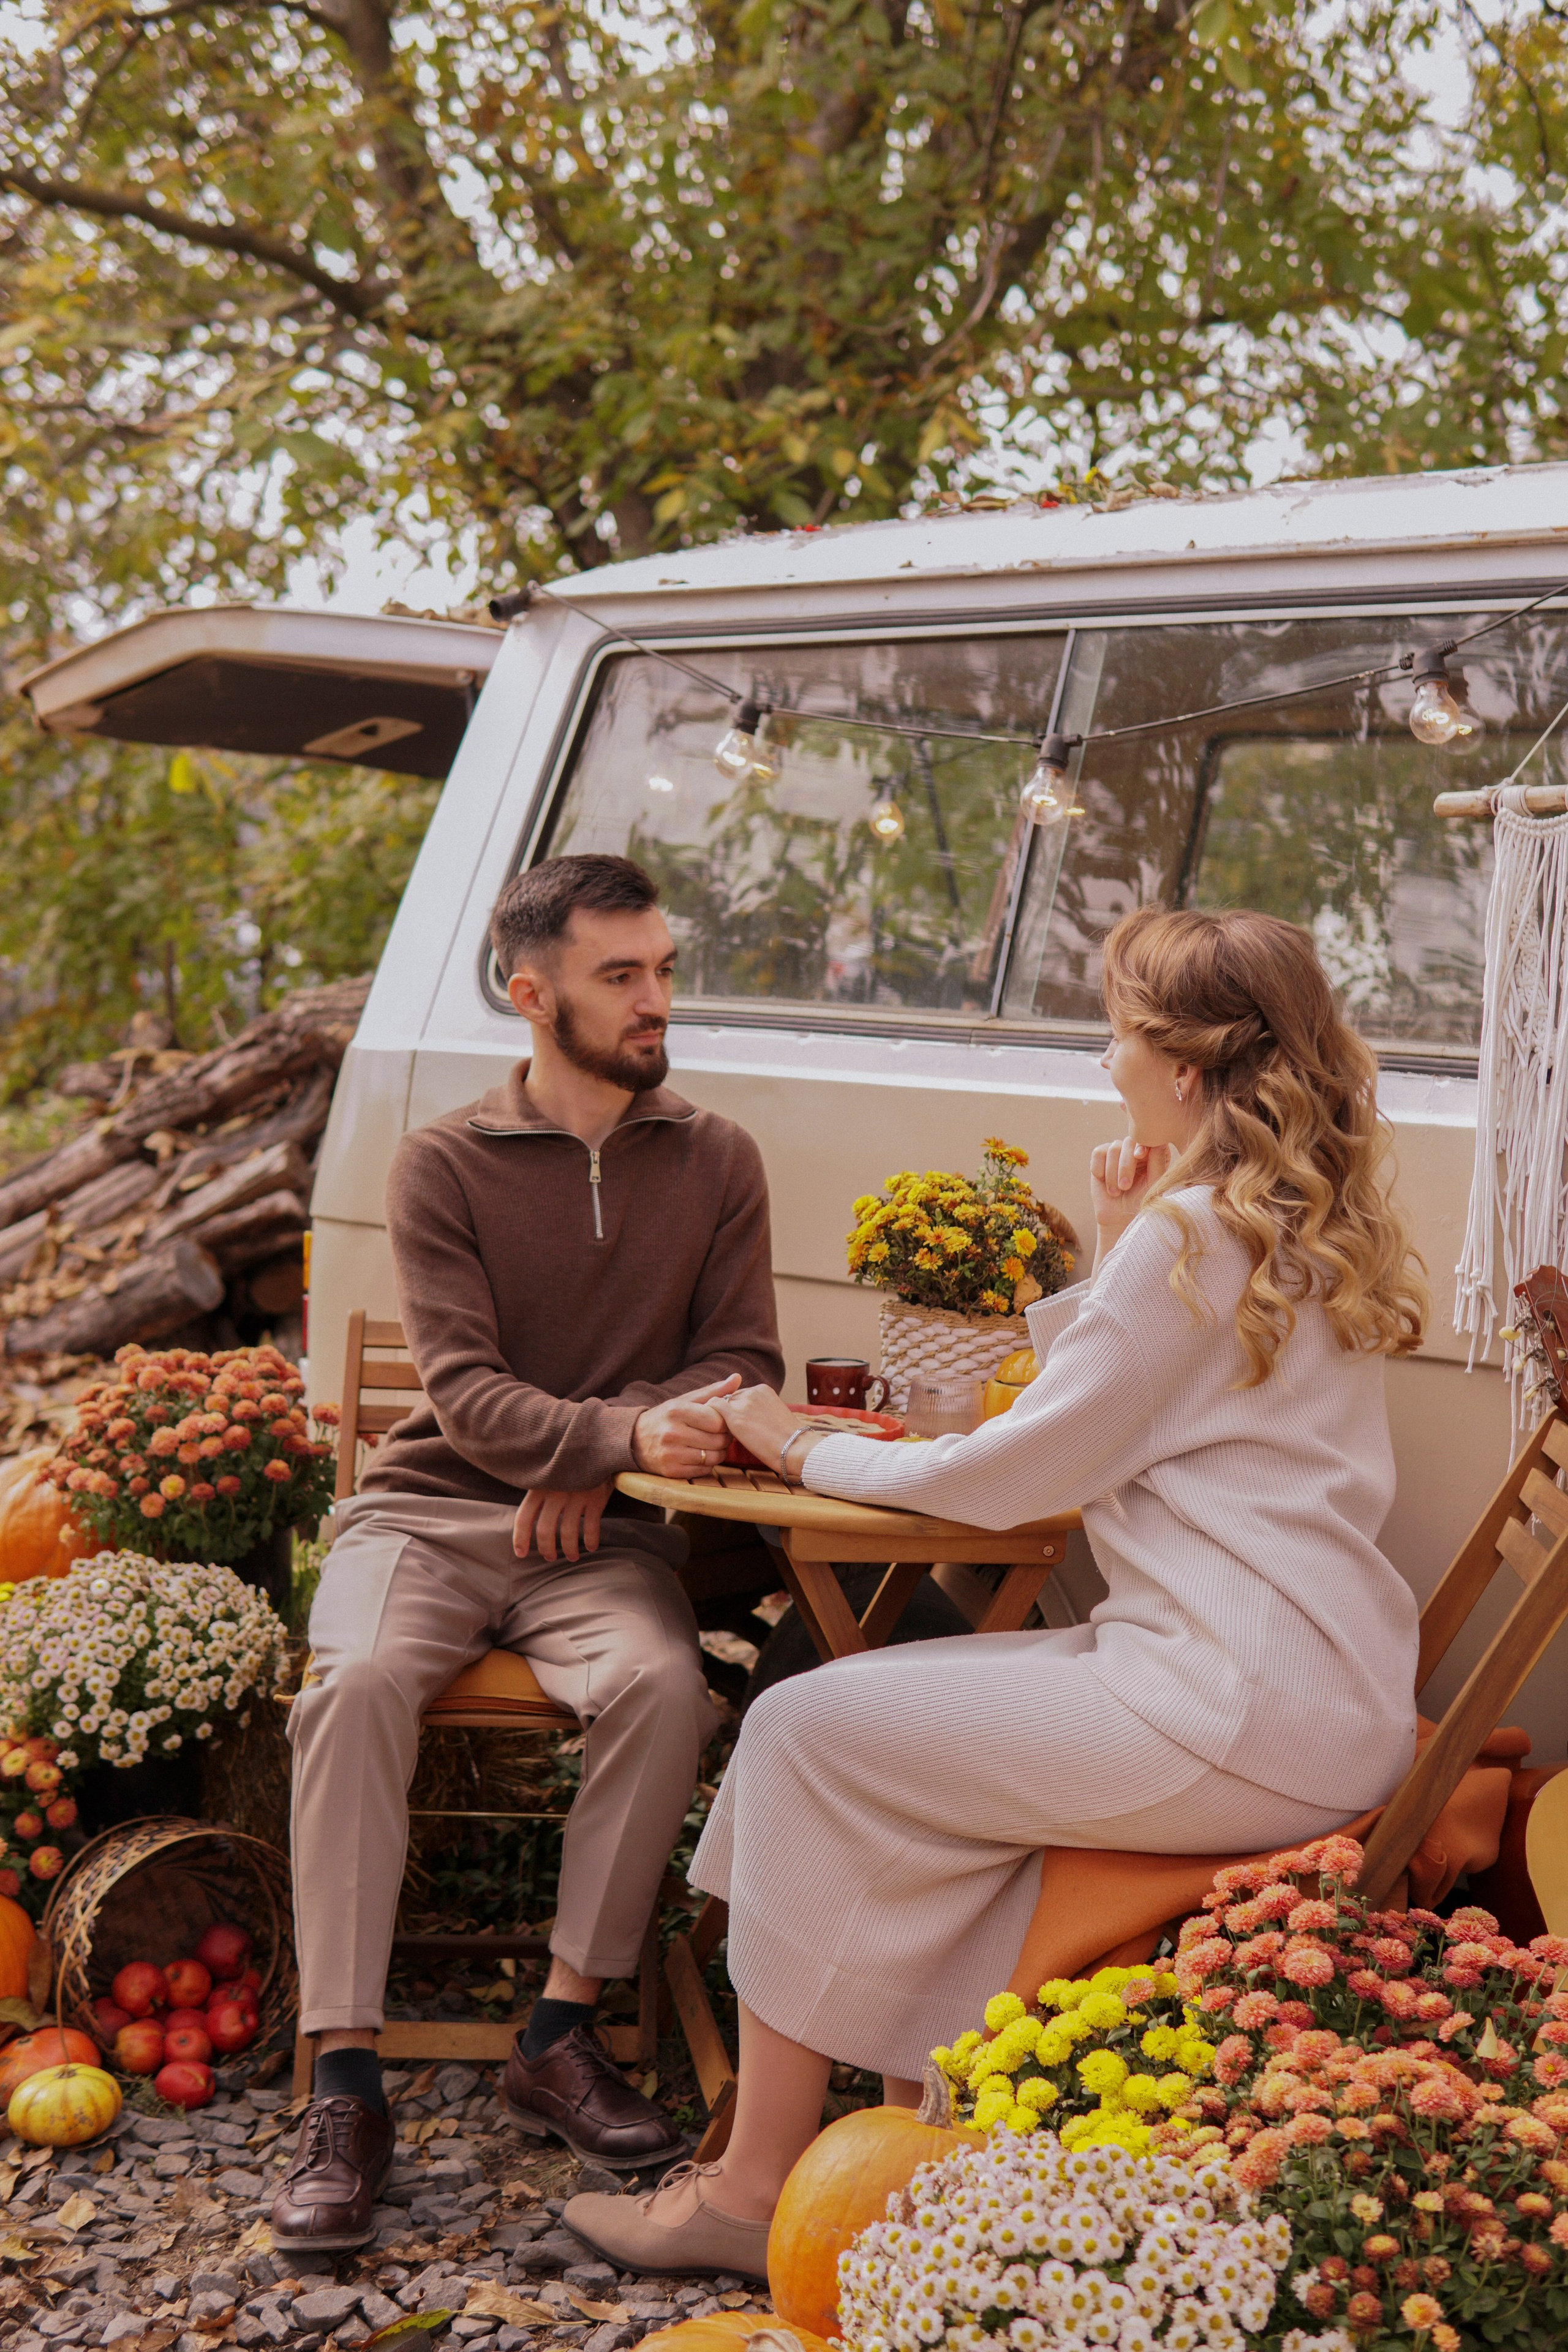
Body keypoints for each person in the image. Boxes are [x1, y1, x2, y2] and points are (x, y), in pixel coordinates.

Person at [563, 903, 1429, 2281]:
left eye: (1118, 1034)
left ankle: (753, 2185)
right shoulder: (1283, 1221)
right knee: (846, 1711)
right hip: (1301, 1692)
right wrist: (1114, 1227)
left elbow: (1012, 1474)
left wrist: (799, 1440)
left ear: (1186, 1072)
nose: (1104, 1061)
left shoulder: (1195, 1238)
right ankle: (896, 2129)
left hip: (1223, 1707)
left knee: (796, 1727)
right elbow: (1131, 1402)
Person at [274, 853, 784, 2251]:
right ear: (531, 992)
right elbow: (463, 1392)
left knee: (660, 1688)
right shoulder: (440, 1160)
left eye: (663, 969)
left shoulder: (717, 1156)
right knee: (355, 1687)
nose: (654, 999)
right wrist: (607, 1442)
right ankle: (345, 2080)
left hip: (594, 1544)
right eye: (621, 975)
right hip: (425, 1516)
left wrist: (591, 1459)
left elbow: (741, 1361)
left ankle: (558, 2033)